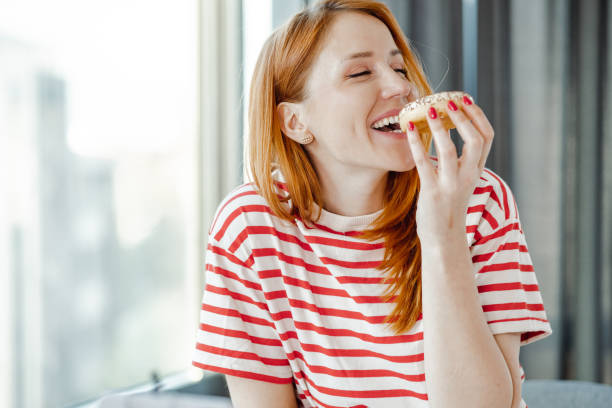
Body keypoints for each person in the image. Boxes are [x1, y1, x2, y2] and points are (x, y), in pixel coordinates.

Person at [192, 1, 553, 407]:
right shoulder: (250, 228)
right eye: (360, 72)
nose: (403, 87)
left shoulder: (478, 199)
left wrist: (441, 237)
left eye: (399, 68)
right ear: (295, 122)